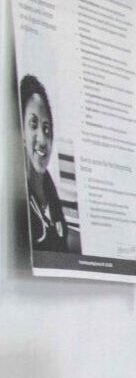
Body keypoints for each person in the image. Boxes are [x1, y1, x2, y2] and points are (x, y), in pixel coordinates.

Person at [18, 75, 77, 255]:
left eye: (46, 128)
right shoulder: (17, 200)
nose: (43, 139)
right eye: (33, 124)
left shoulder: (51, 193)